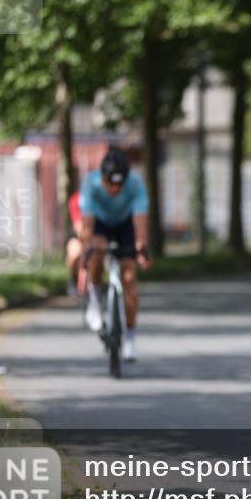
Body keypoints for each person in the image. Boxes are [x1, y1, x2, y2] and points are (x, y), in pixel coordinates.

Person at [80, 148, 152, 361]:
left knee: (129, 279)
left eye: (119, 184)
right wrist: (87, 250)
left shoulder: (136, 185)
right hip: (100, 224)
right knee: (96, 250)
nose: (114, 188)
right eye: (110, 183)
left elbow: (140, 223)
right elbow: (87, 227)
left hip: (125, 225)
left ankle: (130, 337)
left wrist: (141, 248)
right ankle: (94, 299)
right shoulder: (90, 185)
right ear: (102, 178)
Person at [65, 191, 85, 296]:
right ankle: (73, 278)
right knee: (75, 253)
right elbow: (78, 225)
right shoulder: (77, 199)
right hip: (78, 235)